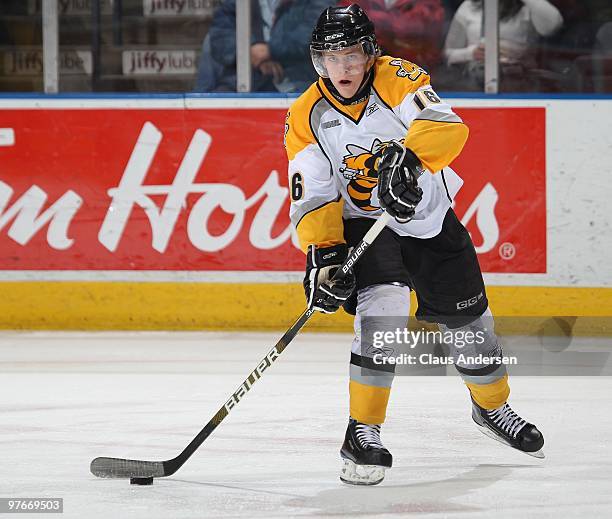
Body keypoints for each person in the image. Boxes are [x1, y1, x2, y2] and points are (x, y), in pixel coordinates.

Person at [284, 4, 544, 486]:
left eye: (353, 54)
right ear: (318, 60)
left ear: (370, 54)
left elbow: (446, 124)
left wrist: (410, 159)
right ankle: (362, 430)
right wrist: (323, 257)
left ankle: (492, 409)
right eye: (331, 56)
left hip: (428, 219)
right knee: (380, 317)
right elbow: (314, 191)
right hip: (366, 226)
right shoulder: (305, 115)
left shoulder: (399, 76)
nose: (343, 67)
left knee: (470, 324)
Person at [443, 0, 563, 90]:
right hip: (474, 81)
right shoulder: (468, 6)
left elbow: (552, 26)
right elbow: (447, 54)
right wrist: (471, 53)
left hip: (520, 82)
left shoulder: (527, 8)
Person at [336, 0, 447, 71]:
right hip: (362, 70)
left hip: (411, 70)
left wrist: (379, 24)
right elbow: (344, 26)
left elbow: (419, 32)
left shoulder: (428, 4)